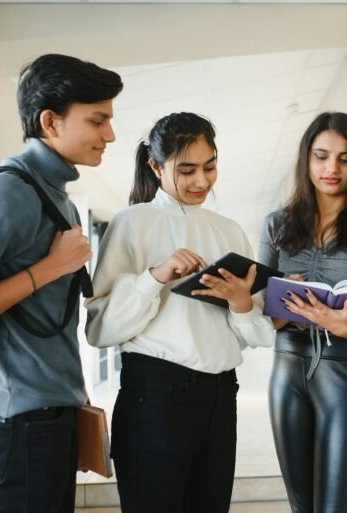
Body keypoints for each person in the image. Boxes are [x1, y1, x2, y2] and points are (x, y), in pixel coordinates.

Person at [0, 54, 122, 512]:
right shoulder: (9, 191)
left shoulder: (54, 193)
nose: (110, 135)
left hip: (49, 411)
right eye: (98, 121)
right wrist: (50, 268)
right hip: (21, 419)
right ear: (50, 122)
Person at [84, 112, 274, 513]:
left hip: (221, 396)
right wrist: (156, 276)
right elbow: (100, 329)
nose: (202, 181)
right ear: (156, 167)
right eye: (186, 170)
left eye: (210, 166)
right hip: (155, 398)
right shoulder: (131, 223)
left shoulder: (230, 229)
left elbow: (256, 334)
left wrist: (241, 303)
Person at [258, 112, 347, 513]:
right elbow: (259, 317)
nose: (331, 169)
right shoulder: (276, 225)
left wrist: (337, 323)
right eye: (321, 156)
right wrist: (273, 306)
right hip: (287, 373)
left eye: (344, 158)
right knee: (301, 507)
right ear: (306, 159)